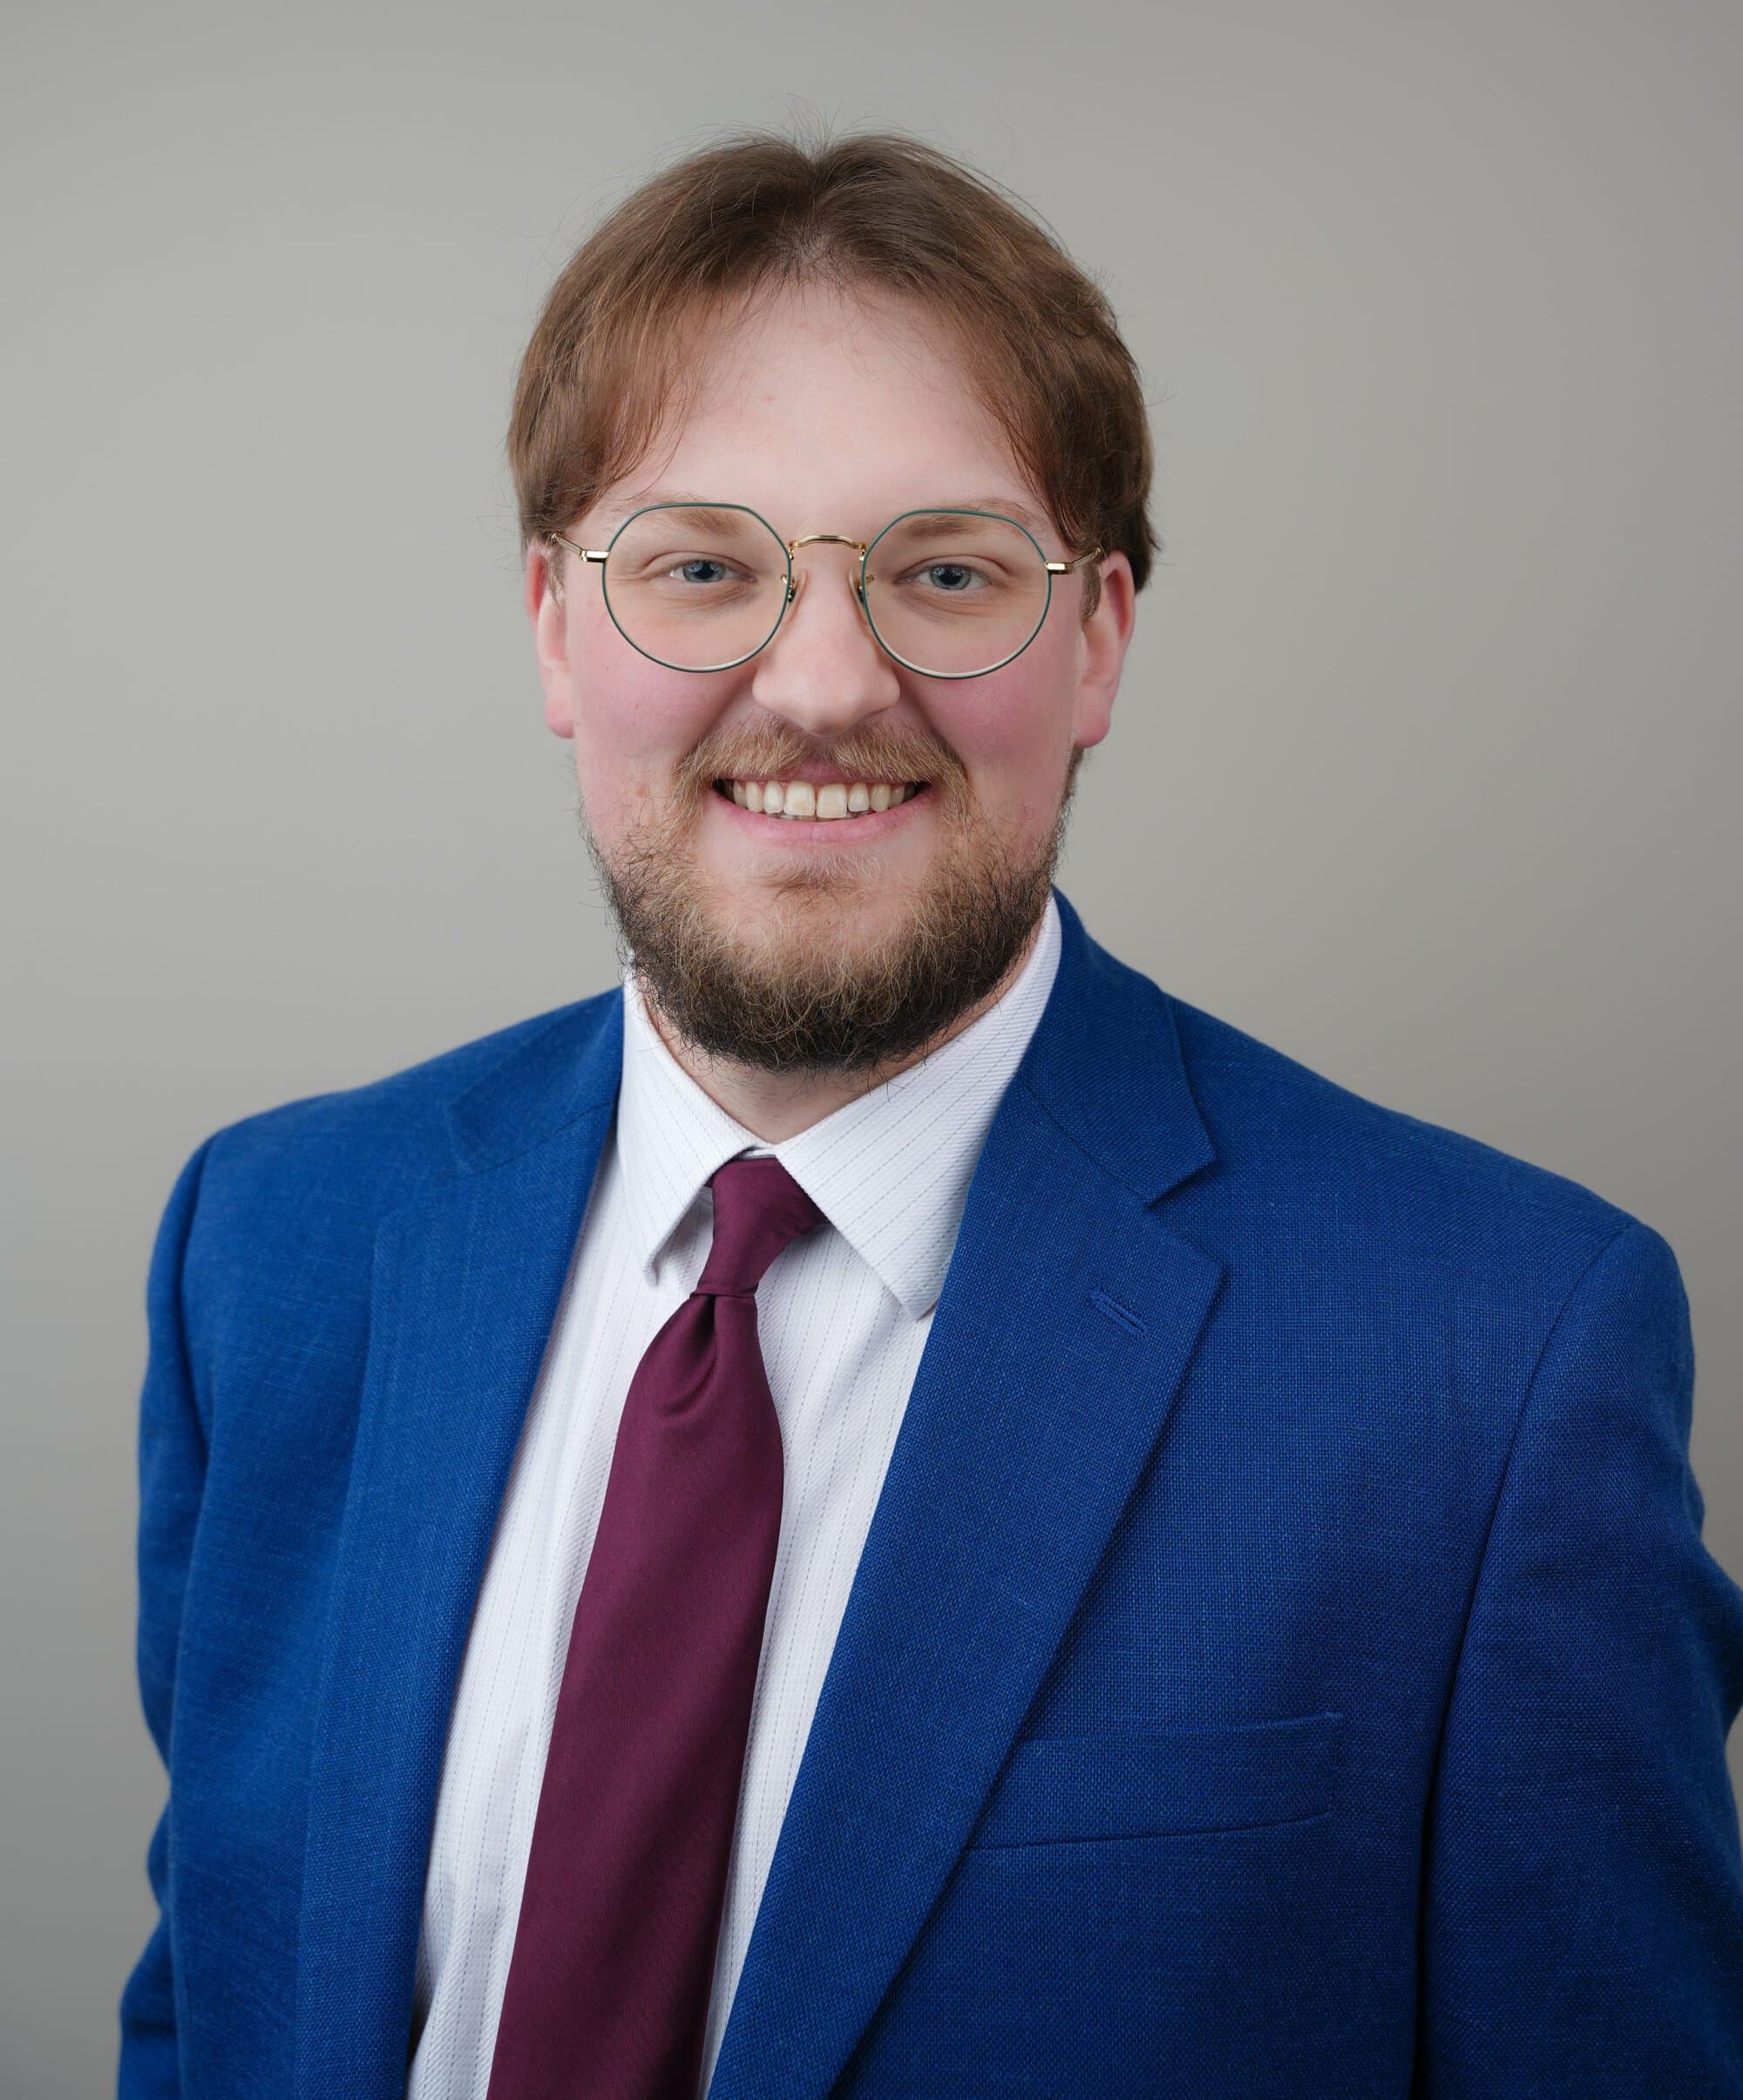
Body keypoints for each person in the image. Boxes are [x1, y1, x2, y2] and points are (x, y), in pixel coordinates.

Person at [119, 127, 1743, 2100]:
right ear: (555, 627)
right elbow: (212, 2009)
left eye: (947, 572)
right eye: (702, 566)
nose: (817, 682)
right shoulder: (276, 1250)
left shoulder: (1491, 1361)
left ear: (1099, 644)